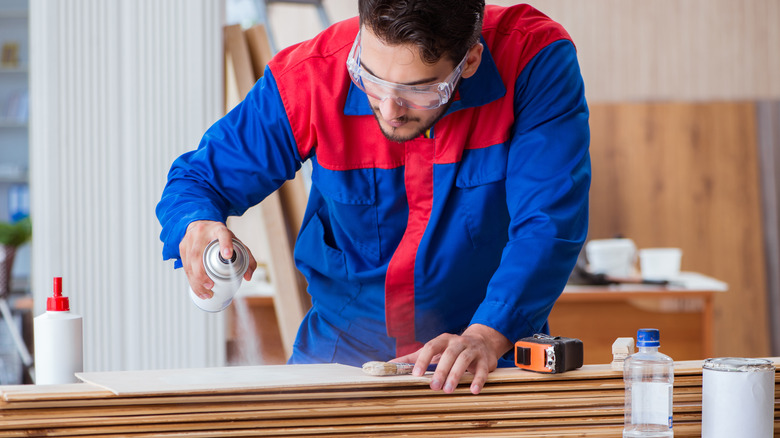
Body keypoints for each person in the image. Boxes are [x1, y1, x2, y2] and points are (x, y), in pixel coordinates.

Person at [156, 0, 590, 395]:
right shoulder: (315, 73)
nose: (387, 108)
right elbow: (199, 179)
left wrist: (488, 333)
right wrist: (197, 223)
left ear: (470, 60)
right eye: (370, 78)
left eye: (418, 90)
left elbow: (547, 223)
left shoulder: (533, 60)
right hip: (339, 355)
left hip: (484, 356)